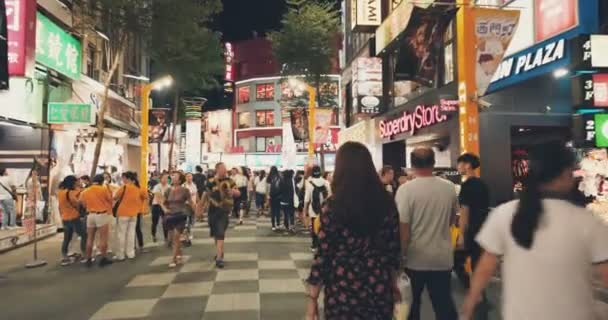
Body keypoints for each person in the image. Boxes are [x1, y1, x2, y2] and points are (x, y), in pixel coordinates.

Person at [461, 142, 608, 320]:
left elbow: (485, 266)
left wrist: (470, 303)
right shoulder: (586, 221)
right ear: (565, 174)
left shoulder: (505, 214)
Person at [306, 142, 401, 319]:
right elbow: (393, 249)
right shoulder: (386, 202)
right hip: (378, 284)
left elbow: (323, 254)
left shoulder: (333, 205)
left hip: (342, 288)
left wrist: (312, 298)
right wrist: (393, 283)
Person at [396, 147, 459, 320]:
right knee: (443, 304)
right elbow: (451, 219)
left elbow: (404, 229)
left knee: (411, 306)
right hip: (442, 257)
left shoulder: (405, 190)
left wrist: (401, 257)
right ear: (434, 162)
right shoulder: (449, 188)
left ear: (412, 164)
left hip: (414, 259)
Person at [456, 154, 490, 287]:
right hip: (481, 228)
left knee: (457, 259)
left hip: (470, 229)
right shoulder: (482, 184)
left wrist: (462, 235)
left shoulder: (466, 186)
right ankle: (479, 293)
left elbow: (465, 211)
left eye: (460, 163)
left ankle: (472, 288)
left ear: (468, 165)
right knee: (476, 260)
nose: (458, 167)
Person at [202, 163, 240, 268]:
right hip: (212, 210)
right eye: (223, 168)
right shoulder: (210, 182)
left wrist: (231, 191)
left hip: (224, 210)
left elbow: (238, 193)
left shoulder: (230, 181)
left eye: (225, 168)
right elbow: (206, 195)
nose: (225, 170)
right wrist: (200, 208)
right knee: (215, 233)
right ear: (217, 170)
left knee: (220, 232)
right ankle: (220, 252)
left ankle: (219, 258)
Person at [80, 174, 113, 267]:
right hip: (101, 214)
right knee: (103, 238)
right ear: (102, 181)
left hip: (90, 215)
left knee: (90, 238)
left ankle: (88, 259)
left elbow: (82, 202)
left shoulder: (86, 191)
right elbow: (110, 200)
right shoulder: (103, 189)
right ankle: (103, 258)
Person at [162, 171, 193, 268]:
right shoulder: (168, 190)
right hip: (170, 216)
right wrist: (165, 209)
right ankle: (179, 253)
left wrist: (196, 211)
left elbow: (191, 202)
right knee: (173, 238)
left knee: (176, 236)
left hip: (181, 215)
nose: (172, 177)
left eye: (175, 176)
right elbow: (164, 202)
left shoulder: (185, 190)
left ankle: (173, 259)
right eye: (172, 176)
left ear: (179, 180)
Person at [113, 172, 146, 261]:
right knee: (131, 234)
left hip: (123, 214)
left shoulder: (123, 187)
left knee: (121, 234)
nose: (123, 180)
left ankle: (121, 255)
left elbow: (115, 197)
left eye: (123, 178)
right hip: (134, 214)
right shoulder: (138, 188)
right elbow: (145, 197)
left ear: (128, 179)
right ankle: (130, 253)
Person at [57, 175, 86, 266]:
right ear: (72, 182)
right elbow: (77, 203)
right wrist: (80, 202)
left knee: (67, 239)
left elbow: (60, 206)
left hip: (65, 218)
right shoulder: (69, 193)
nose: (77, 182)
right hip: (74, 217)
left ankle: (64, 257)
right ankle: (84, 254)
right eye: (76, 181)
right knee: (84, 235)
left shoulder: (60, 192)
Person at [304, 165, 330, 250]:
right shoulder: (326, 182)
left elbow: (307, 198)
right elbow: (329, 196)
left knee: (314, 226)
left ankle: (314, 244)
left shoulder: (309, 183)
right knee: (323, 226)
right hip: (325, 209)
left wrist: (305, 210)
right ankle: (323, 244)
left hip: (313, 209)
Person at [151, 173, 170, 242]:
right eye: (164, 178)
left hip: (165, 206)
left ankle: (166, 237)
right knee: (154, 222)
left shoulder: (169, 187)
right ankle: (154, 235)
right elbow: (158, 198)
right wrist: (163, 207)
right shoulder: (157, 186)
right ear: (160, 179)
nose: (166, 179)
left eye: (167, 178)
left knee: (165, 222)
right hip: (156, 205)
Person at [268, 166, 282, 231]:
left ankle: (273, 225)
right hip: (278, 197)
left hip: (271, 197)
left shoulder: (269, 178)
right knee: (278, 211)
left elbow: (268, 188)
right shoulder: (279, 177)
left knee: (273, 211)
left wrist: (268, 197)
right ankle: (278, 224)